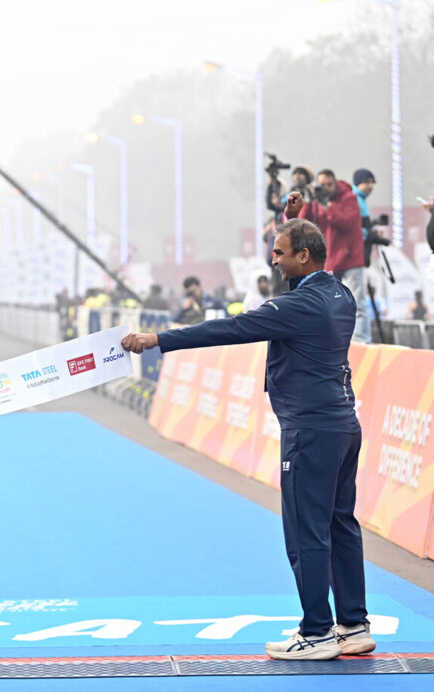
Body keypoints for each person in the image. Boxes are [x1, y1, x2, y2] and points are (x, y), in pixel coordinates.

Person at [122, 192, 373, 661]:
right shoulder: (340, 294)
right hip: (343, 423)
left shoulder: (298, 307)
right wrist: (289, 221)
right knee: (341, 524)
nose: (273, 259)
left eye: (280, 252)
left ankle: (317, 632)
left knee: (306, 532)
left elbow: (229, 328)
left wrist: (158, 339)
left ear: (303, 256)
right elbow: (298, 270)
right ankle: (353, 625)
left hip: (309, 431)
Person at [291, 169, 368, 342]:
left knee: (356, 301)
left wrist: (327, 205)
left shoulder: (348, 198)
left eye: (329, 184)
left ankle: (361, 339)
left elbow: (346, 223)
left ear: (335, 183)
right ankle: (335, 339)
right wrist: (308, 201)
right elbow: (302, 223)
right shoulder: (318, 201)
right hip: (331, 259)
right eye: (322, 185)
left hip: (351, 258)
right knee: (331, 304)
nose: (326, 188)